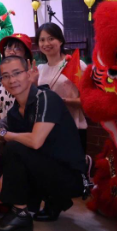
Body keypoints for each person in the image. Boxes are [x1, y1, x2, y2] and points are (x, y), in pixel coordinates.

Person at [0, 56, 86, 231]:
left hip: (70, 178)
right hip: (46, 169)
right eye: (6, 76)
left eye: (17, 73)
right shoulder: (15, 112)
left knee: (14, 146)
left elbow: (35, 141)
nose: (12, 80)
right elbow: (19, 157)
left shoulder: (46, 98)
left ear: (28, 74)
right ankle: (53, 202)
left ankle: (21, 214)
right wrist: (3, 181)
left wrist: (1, 134)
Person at [34, 23, 88, 151]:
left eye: (51, 38)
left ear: (61, 40)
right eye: (42, 40)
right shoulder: (40, 69)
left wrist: (62, 101)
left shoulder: (76, 65)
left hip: (73, 127)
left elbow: (88, 101)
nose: (46, 43)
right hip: (48, 129)